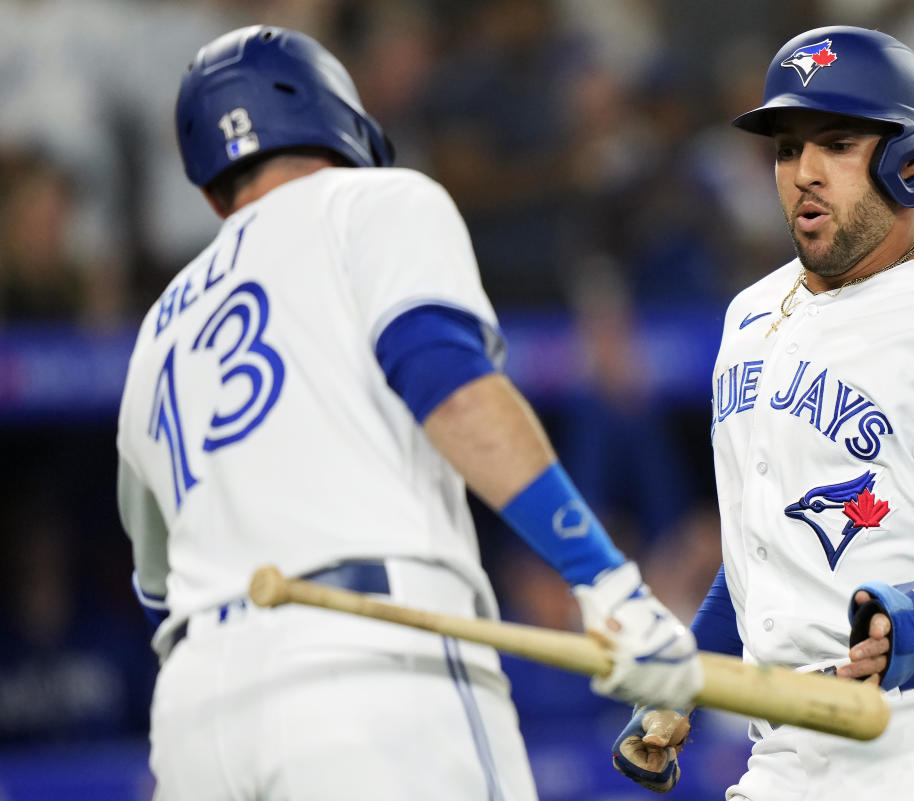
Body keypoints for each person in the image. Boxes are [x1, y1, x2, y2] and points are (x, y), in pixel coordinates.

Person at [114, 25, 703, 801]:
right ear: (341, 118)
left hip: (197, 720)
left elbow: (156, 583)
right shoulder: (375, 200)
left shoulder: (155, 331)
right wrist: (607, 582)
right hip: (371, 667)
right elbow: (453, 391)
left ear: (206, 185)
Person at [608, 26, 914, 800]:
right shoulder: (750, 316)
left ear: (908, 157)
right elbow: (762, 553)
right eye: (788, 149)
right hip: (789, 753)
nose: (803, 173)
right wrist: (689, 673)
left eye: (835, 143)